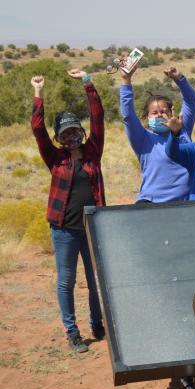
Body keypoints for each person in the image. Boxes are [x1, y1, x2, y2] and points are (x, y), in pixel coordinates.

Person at [30, 70, 105, 353]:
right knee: (67, 281)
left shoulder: (93, 151)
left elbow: (98, 117)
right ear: (59, 137)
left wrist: (88, 82)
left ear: (81, 131)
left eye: (75, 130)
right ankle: (72, 331)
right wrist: (39, 94)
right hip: (64, 230)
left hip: (92, 227)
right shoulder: (54, 157)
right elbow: (37, 129)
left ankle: (98, 323)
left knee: (95, 278)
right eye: (65, 132)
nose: (71, 135)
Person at [119, 64, 195, 203]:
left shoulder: (182, 129)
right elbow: (128, 116)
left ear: (171, 112)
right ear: (147, 117)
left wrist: (179, 79)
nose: (160, 115)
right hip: (151, 205)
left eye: (164, 111)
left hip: (185, 206)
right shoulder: (142, 139)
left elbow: (191, 101)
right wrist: (126, 81)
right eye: (154, 113)